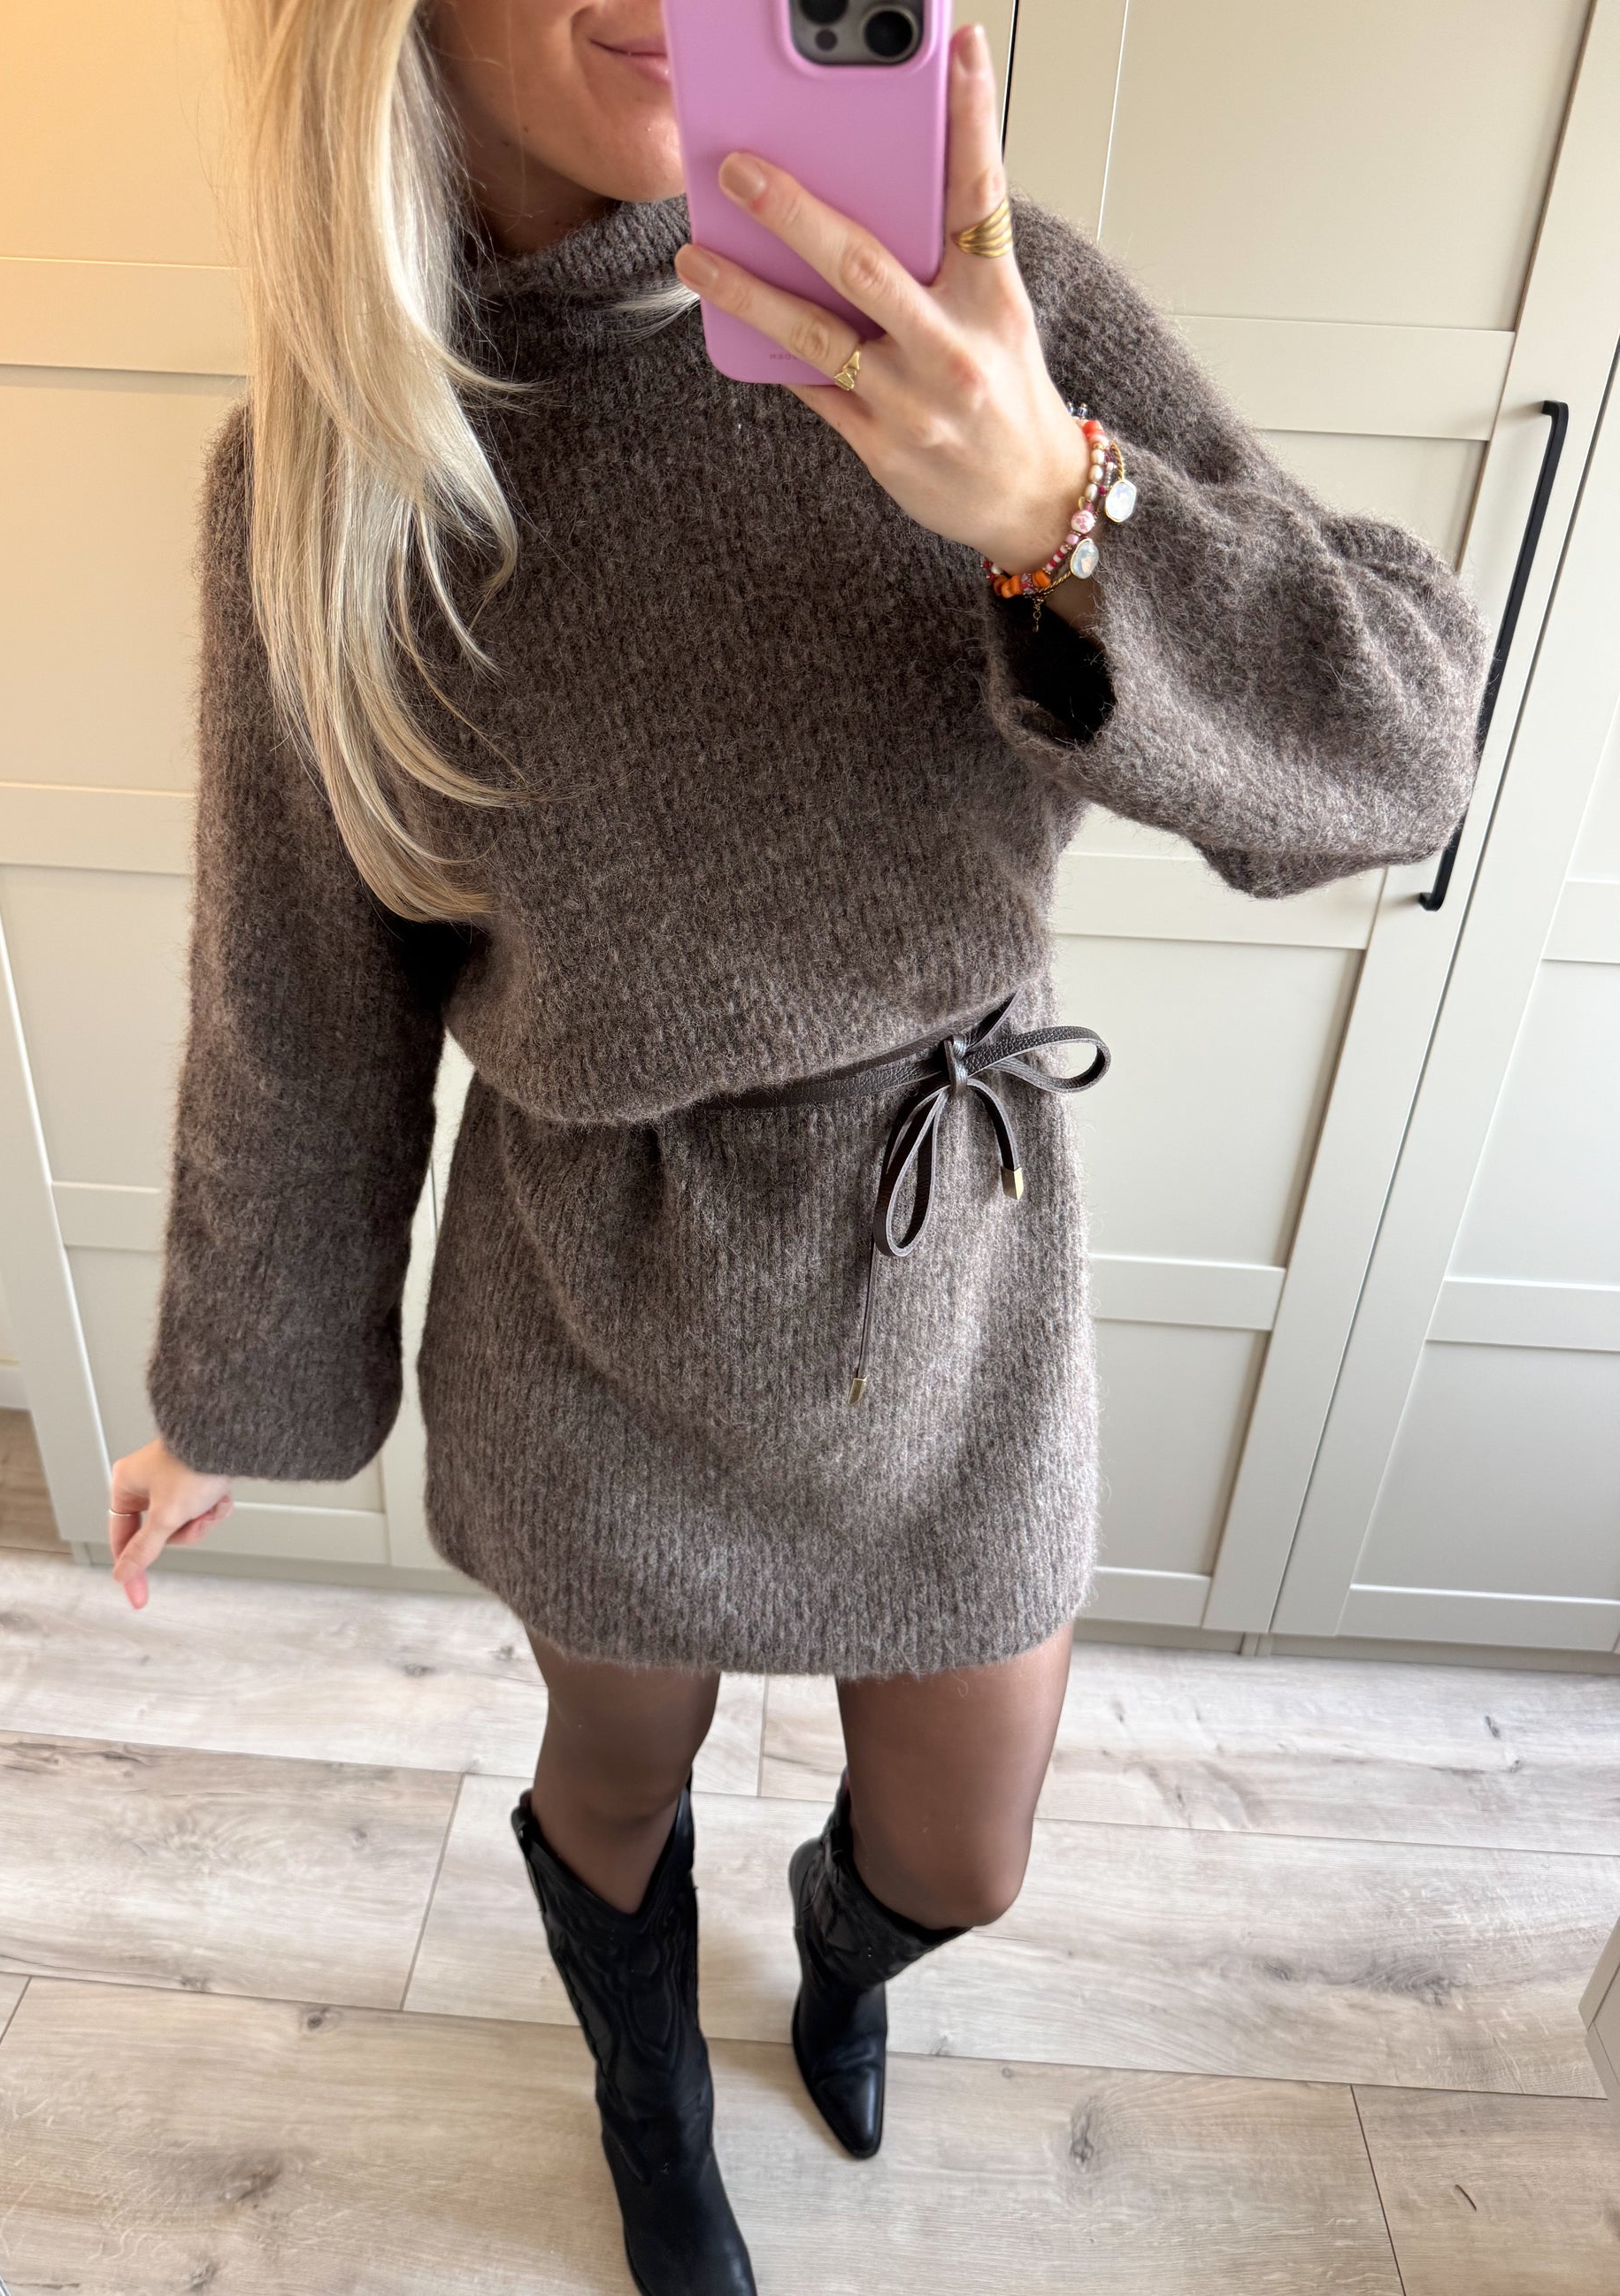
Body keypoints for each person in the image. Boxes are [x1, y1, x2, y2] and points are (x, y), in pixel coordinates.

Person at [106, 4, 1490, 2288]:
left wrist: (1053, 503)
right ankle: (646, 2088)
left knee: (964, 1858)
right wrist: (226, 1387)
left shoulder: (977, 316)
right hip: (596, 1304)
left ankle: (844, 1958)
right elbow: (299, 996)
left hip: (950, 1275)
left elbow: (1404, 747)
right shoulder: (331, 472)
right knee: (612, 1787)